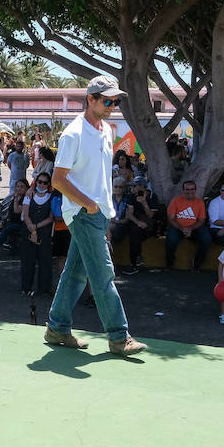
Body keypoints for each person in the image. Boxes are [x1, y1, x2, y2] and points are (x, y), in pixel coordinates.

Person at [44, 75, 146, 356]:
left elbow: (97, 176)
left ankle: (57, 328)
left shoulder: (107, 130)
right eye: (108, 100)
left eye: (115, 101)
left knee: (75, 275)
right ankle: (118, 336)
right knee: (103, 276)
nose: (113, 105)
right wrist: (89, 205)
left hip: (98, 213)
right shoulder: (73, 134)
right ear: (91, 99)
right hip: (83, 213)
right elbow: (58, 180)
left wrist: (102, 210)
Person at [21, 172, 56, 296]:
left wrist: (36, 227)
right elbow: (25, 214)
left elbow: (51, 217)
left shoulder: (51, 197)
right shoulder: (29, 195)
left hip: (45, 232)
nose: (42, 184)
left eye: (45, 182)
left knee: (45, 261)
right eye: (39, 181)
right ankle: (26, 288)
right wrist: (32, 230)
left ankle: (44, 288)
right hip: (29, 231)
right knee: (28, 261)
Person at [165, 180, 212, 270]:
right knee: (171, 239)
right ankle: (169, 263)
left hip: (194, 228)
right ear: (183, 190)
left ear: (195, 190)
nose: (190, 191)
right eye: (187, 189)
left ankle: (197, 264)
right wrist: (182, 228)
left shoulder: (200, 202)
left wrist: (190, 229)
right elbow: (170, 218)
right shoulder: (176, 201)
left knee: (207, 239)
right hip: (177, 227)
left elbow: (201, 220)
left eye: (192, 189)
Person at [111, 178, 154, 273]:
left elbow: (150, 215)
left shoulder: (152, 196)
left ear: (142, 187)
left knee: (136, 231)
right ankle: (135, 263)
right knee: (134, 231)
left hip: (149, 224)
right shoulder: (131, 197)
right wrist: (138, 222)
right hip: (135, 223)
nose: (132, 188)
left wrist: (144, 203)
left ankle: (136, 261)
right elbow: (129, 214)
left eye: (134, 186)